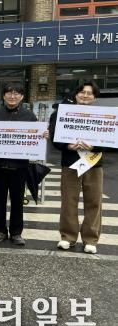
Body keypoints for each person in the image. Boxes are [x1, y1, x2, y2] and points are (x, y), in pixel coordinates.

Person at [49, 81, 108, 254]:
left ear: (94, 97)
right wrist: (67, 146)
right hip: (71, 163)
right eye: (82, 92)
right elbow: (54, 137)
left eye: (90, 93)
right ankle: (68, 237)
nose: (85, 95)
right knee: (69, 201)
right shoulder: (62, 114)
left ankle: (90, 239)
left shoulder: (103, 116)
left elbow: (113, 142)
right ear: (76, 95)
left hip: (94, 162)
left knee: (94, 201)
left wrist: (94, 146)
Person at [0, 82, 47, 246]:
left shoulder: (29, 116)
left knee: (18, 200)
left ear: (22, 96)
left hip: (20, 166)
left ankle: (16, 232)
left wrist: (43, 136)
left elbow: (36, 137)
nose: (12, 96)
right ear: (3, 95)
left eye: (16, 93)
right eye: (9, 93)